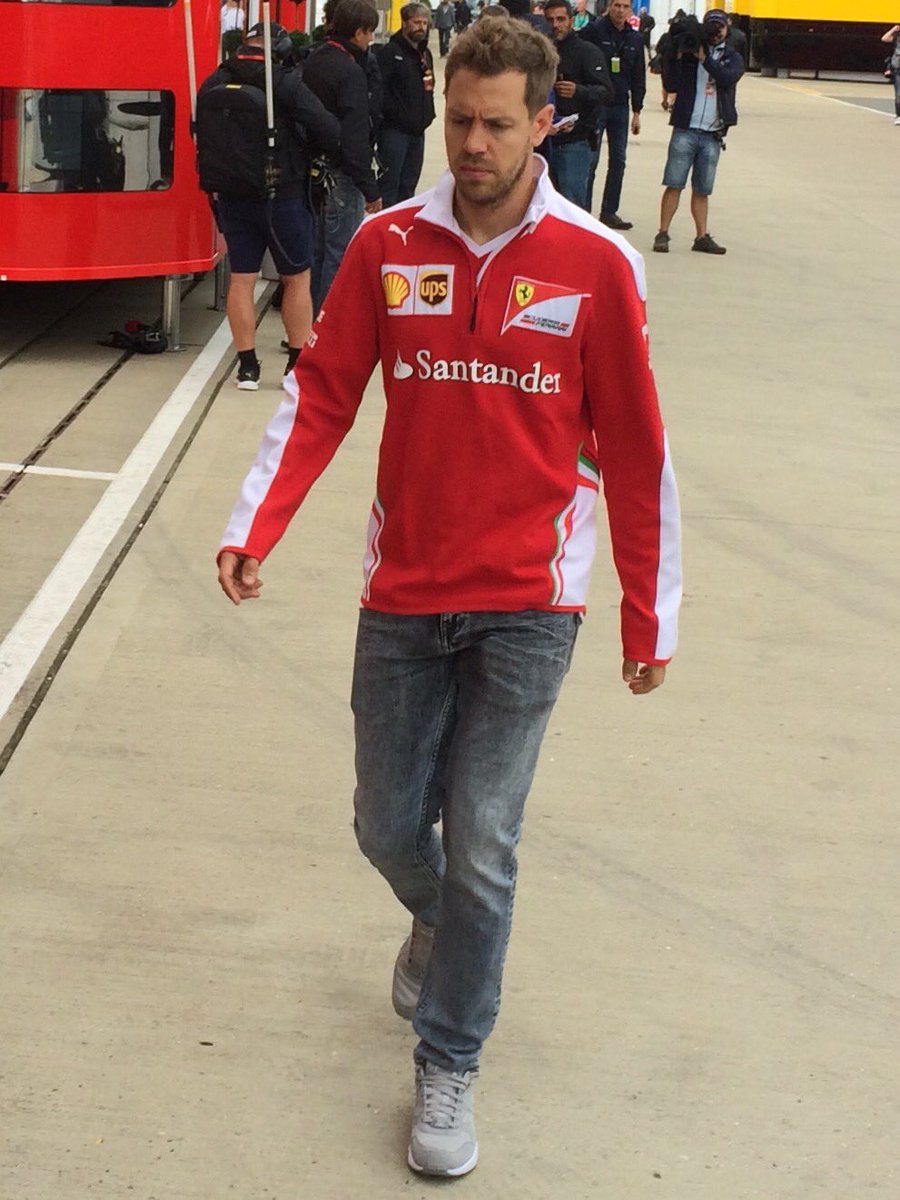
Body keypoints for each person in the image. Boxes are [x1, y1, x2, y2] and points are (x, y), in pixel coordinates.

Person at [217, 13, 681, 1179]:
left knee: (482, 842)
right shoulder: (383, 245)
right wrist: (252, 524)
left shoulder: (595, 264)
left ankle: (450, 1056)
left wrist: (647, 613)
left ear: (544, 120)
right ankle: (441, 927)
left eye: (495, 125)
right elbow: (322, 395)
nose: (469, 144)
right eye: (459, 120)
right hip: (405, 593)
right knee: (386, 824)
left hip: (532, 601)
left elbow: (635, 452)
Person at [197, 22, 340, 388]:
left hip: (231, 195)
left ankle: (247, 366)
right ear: (277, 48)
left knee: (241, 280)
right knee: (297, 278)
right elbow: (328, 129)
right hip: (284, 194)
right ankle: (295, 364)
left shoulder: (213, 81)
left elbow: (197, 132)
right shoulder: (283, 83)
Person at [303, 0, 383, 312]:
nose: (372, 40)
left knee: (318, 252)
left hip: (314, 167)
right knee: (339, 254)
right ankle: (328, 326)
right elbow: (354, 134)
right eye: (369, 33)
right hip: (341, 173)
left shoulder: (315, 58)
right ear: (359, 31)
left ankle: (307, 323)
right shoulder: (351, 70)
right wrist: (370, 186)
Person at [653, 8, 743, 255]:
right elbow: (670, 83)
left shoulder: (732, 57)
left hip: (712, 133)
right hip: (686, 128)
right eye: (711, 27)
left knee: (702, 189)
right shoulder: (690, 55)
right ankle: (663, 233)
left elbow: (726, 78)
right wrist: (676, 53)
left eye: (720, 27)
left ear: (727, 29)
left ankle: (701, 236)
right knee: (674, 183)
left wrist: (706, 59)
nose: (716, 32)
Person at [580, 0, 645, 228]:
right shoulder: (593, 31)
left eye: (625, 6)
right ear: (609, 7)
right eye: (616, 5)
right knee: (591, 160)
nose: (620, 10)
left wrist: (637, 110)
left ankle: (609, 212)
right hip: (596, 106)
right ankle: (584, 212)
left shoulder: (635, 39)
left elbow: (638, 77)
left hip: (620, 107)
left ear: (630, 10)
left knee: (618, 160)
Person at [545, 0, 613, 210]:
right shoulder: (539, 51)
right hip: (542, 143)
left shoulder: (587, 52)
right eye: (550, 20)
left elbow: (607, 92)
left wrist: (579, 91)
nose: (555, 25)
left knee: (571, 208)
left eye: (561, 19)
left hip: (574, 143)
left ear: (571, 20)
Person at [376, 3, 436, 208]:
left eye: (425, 23)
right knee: (389, 186)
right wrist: (396, 114)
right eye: (416, 22)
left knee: (409, 186)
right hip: (395, 132)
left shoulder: (425, 54)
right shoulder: (390, 53)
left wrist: (428, 114)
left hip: (418, 132)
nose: (421, 27)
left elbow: (429, 86)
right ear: (404, 23)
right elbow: (380, 90)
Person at [881, 22, 900, 124]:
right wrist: (893, 29)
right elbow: (884, 38)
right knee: (899, 93)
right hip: (898, 69)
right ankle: (898, 116)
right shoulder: (897, 39)